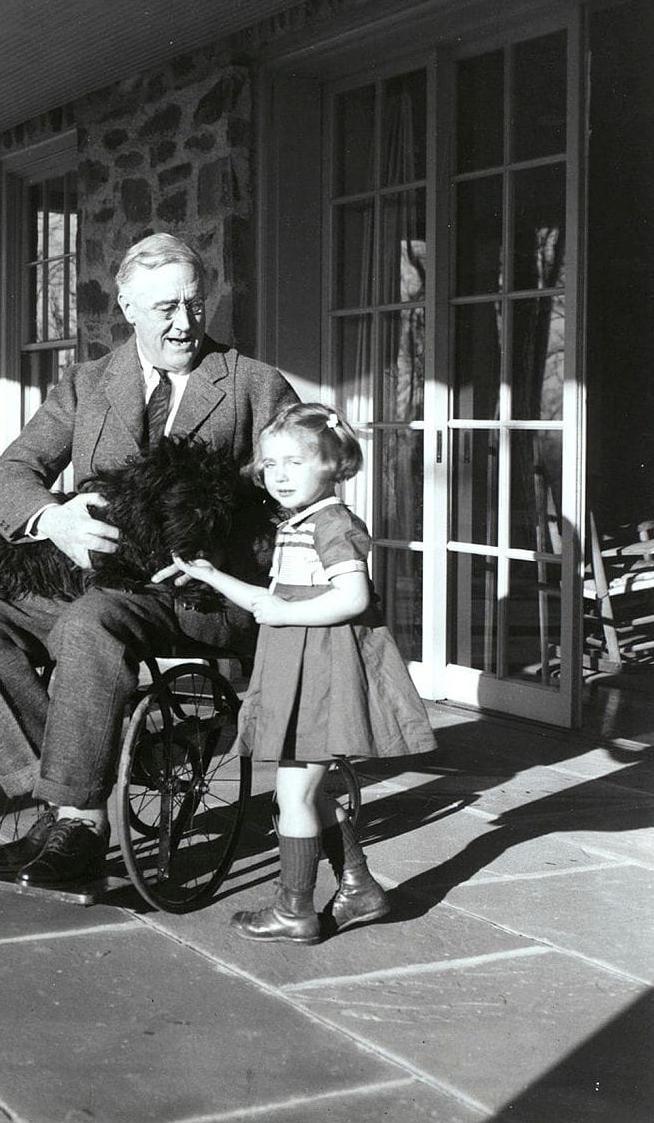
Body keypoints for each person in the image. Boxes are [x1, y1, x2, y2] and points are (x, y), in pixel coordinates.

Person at [0, 233, 298, 888]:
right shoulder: (88, 383)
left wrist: (225, 554)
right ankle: (64, 795)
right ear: (127, 305)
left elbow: (298, 500)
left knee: (89, 622)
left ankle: (81, 821)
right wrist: (52, 519)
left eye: (194, 305)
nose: (184, 324)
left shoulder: (254, 386)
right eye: (165, 309)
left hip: (196, 594)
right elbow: (11, 470)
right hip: (98, 579)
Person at [171, 402, 436, 944]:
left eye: (295, 462)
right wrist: (211, 575)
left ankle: (295, 911)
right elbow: (270, 599)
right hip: (301, 671)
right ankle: (359, 887)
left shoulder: (333, 524)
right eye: (270, 465)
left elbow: (353, 596)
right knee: (307, 791)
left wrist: (287, 613)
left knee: (292, 795)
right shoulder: (301, 524)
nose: (280, 475)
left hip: (323, 676)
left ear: (334, 464)